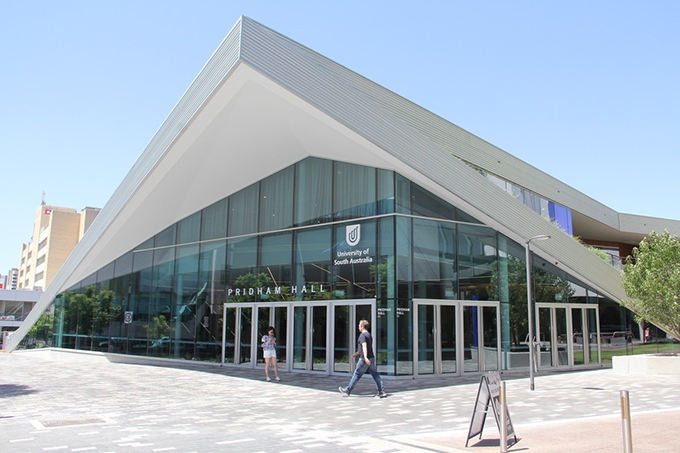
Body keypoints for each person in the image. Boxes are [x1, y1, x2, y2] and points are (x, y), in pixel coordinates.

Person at [339, 320, 387, 398]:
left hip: (364, 360)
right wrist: (357, 353)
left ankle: (348, 390)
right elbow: (366, 347)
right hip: (371, 358)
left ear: (362, 326)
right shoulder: (369, 335)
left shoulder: (362, 336)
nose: (358, 327)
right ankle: (381, 391)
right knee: (375, 375)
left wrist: (365, 357)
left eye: (359, 325)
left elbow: (364, 346)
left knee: (357, 374)